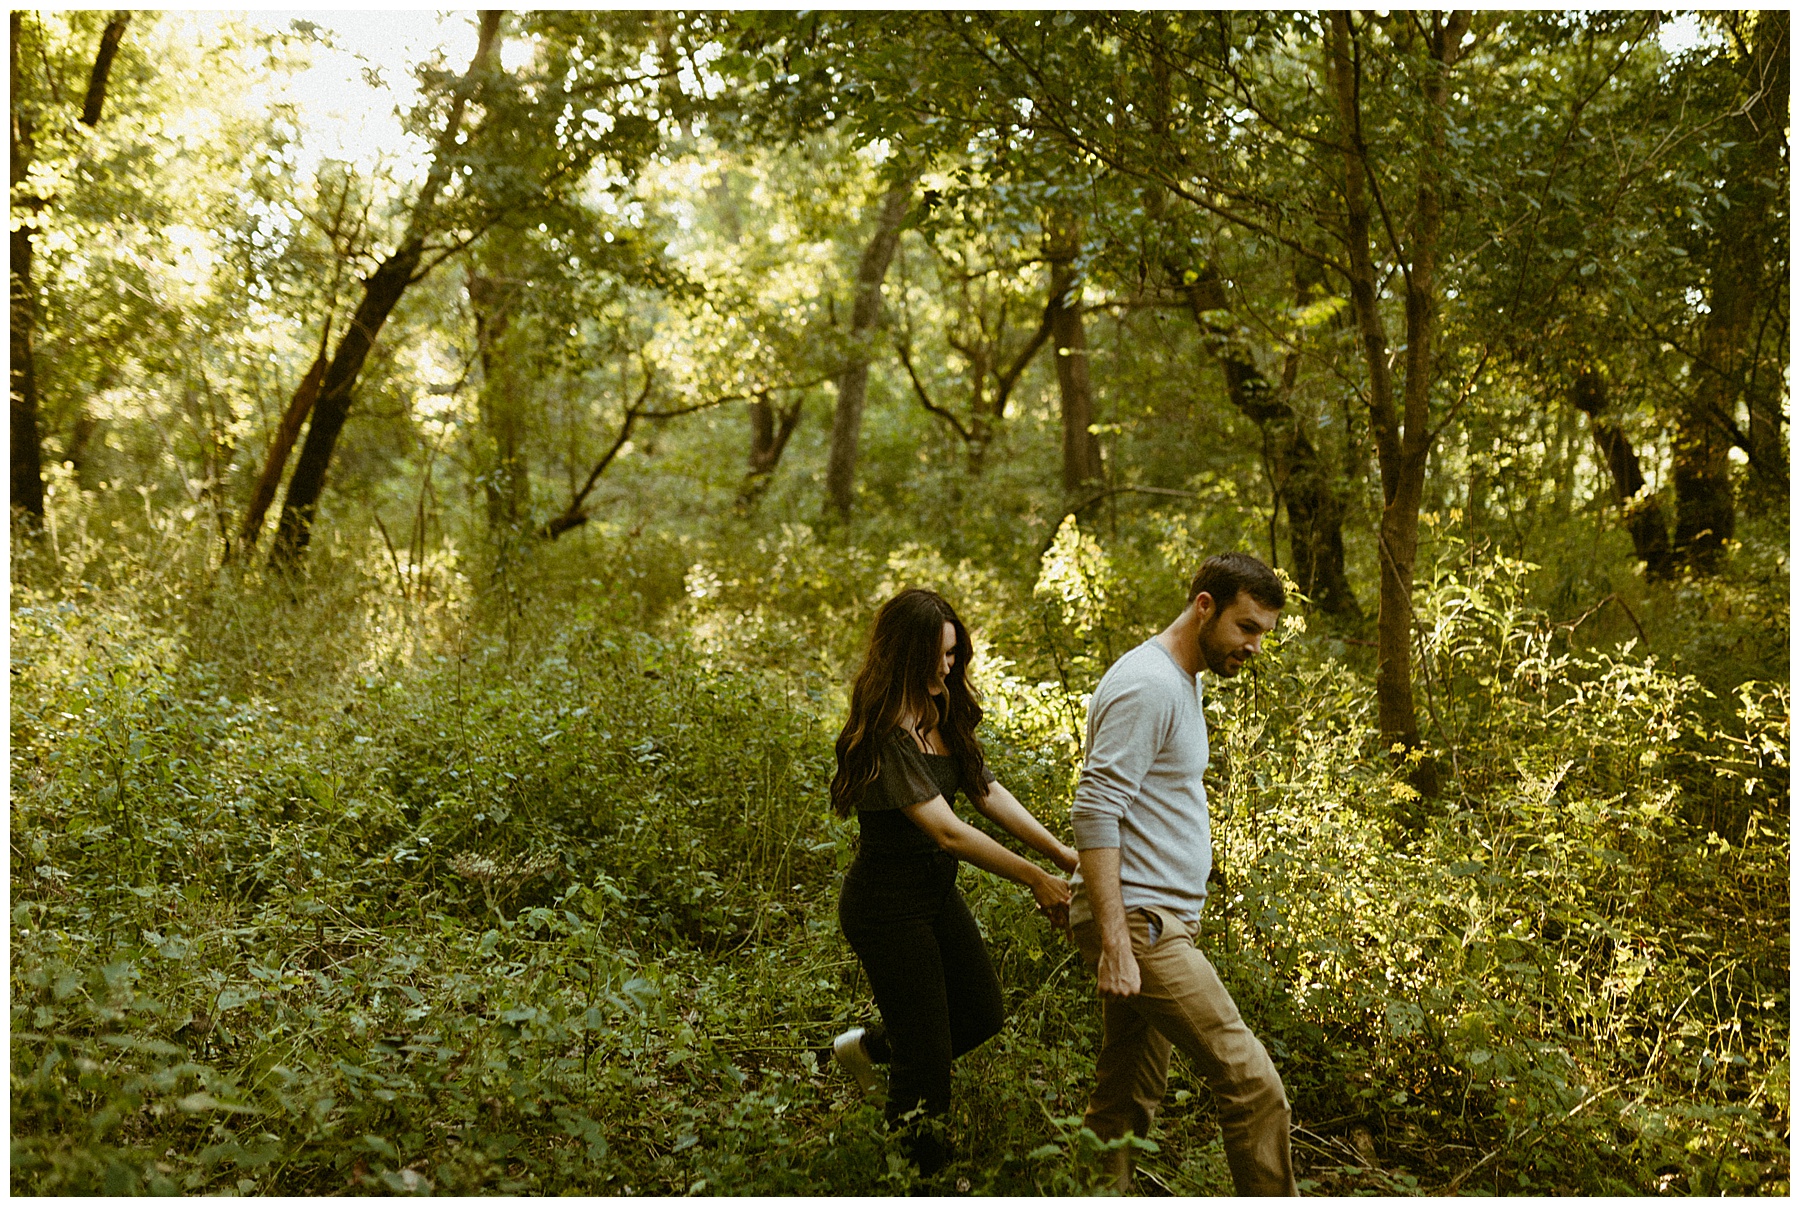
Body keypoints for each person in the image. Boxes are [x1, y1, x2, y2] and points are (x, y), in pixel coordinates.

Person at [1068, 551, 1296, 1195]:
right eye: (1246, 628)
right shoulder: (1150, 683)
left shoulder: (1182, 676)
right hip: (1142, 927)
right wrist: (1116, 941)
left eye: (1262, 634)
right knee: (1252, 1082)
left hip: (1157, 921)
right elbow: (1095, 807)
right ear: (1204, 606)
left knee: (1123, 1103)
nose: (1254, 646)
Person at [829, 587, 1078, 1174]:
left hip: (933, 895)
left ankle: (869, 1049)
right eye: (940, 655)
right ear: (907, 656)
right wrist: (1033, 878)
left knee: (983, 1012)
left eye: (954, 653)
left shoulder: (940, 712)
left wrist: (1064, 855)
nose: (950, 664)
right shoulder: (888, 732)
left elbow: (985, 793)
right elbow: (949, 832)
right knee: (927, 1064)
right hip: (885, 906)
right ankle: (920, 1177)